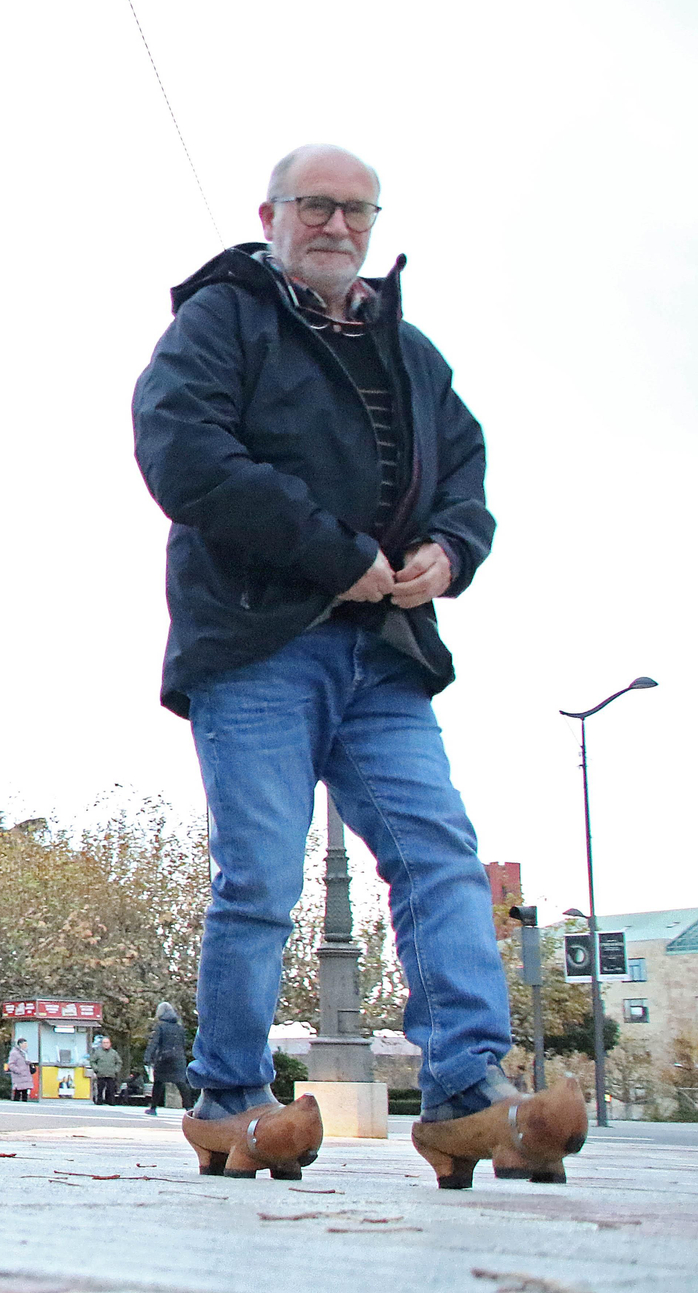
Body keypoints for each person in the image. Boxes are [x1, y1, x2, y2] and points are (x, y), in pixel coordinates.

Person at [132, 145, 585, 1185]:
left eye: (355, 211)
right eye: (315, 206)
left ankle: (467, 1094)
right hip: (257, 640)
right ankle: (230, 1097)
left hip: (384, 656)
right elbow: (182, 453)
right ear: (271, 215)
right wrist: (335, 556)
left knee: (438, 856)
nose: (336, 226)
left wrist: (450, 550)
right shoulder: (219, 322)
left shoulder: (410, 352)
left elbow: (462, 473)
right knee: (256, 875)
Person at [142, 1003, 191, 1116]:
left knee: (158, 1083)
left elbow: (154, 1043)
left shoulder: (160, 1026)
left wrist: (147, 1057)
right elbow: (184, 1043)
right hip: (178, 1058)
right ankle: (188, 1107)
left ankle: (153, 1108)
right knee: (181, 1083)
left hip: (163, 1058)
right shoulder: (179, 1027)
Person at [89, 1035, 122, 1106]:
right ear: (101, 1044)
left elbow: (119, 1062)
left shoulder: (114, 1053)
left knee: (111, 1089)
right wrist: (96, 1069)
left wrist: (116, 1070)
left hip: (111, 1074)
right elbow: (92, 1061)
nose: (106, 1044)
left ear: (110, 1043)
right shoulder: (98, 1052)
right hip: (101, 1074)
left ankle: (111, 1102)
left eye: (107, 1042)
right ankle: (99, 1102)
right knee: (100, 1089)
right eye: (104, 1043)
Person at [6, 1038, 35, 1102]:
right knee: (18, 1091)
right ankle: (16, 1104)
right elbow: (11, 1064)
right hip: (19, 1075)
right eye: (24, 1044)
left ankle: (24, 1103)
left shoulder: (25, 1053)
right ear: (20, 1044)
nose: (26, 1045)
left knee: (25, 1091)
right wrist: (18, 1070)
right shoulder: (14, 1053)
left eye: (26, 1044)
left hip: (26, 1075)